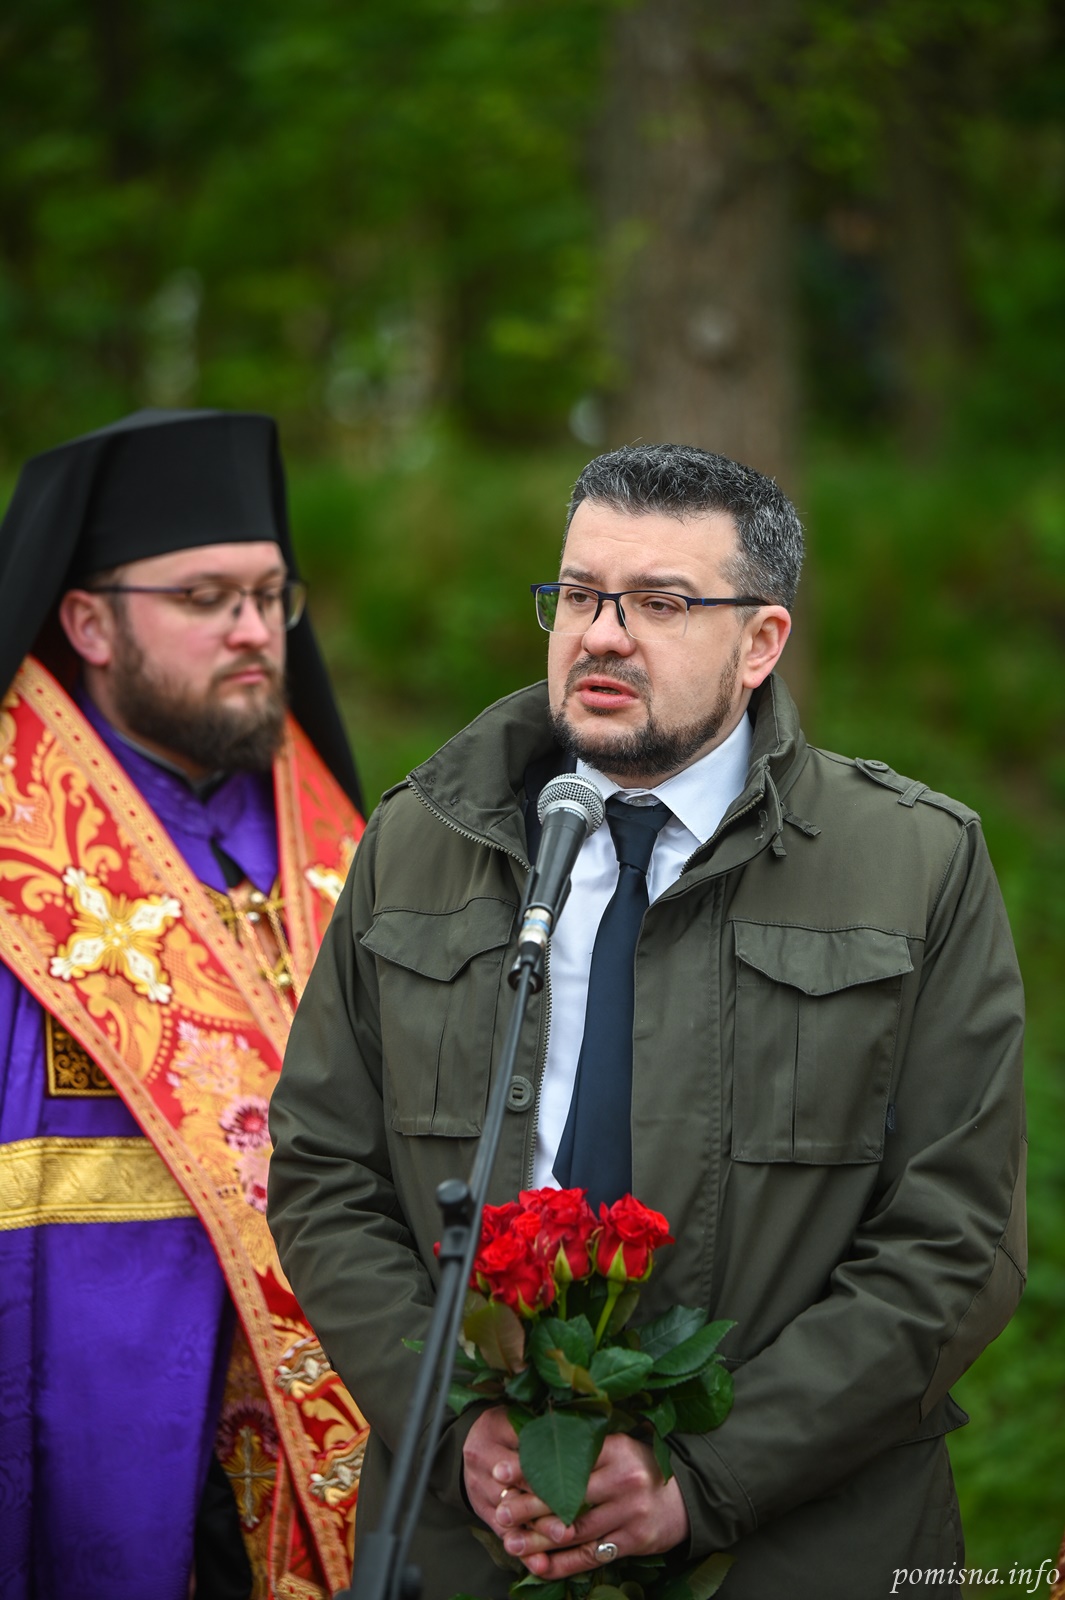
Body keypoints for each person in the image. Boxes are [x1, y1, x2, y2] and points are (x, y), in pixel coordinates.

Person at [268, 443, 1026, 1600]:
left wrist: (707, 1475)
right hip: (470, 1541)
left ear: (760, 642)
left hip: (797, 1546)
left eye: (662, 603)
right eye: (580, 594)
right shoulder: (421, 842)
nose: (603, 635)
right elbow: (325, 1169)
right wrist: (457, 1425)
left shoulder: (915, 864)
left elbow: (956, 1238)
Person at [0, 410, 371, 1600]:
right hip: (103, 1441)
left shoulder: (340, 842)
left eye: (268, 595)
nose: (253, 629)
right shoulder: (16, 862)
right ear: (87, 622)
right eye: (205, 597)